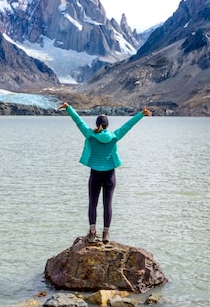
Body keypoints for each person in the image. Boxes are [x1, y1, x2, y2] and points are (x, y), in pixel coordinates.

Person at [58, 102, 152, 244]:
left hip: (95, 174)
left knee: (92, 203)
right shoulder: (115, 136)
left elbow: (78, 121)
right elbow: (128, 125)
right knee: (107, 204)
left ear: (97, 124)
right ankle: (106, 234)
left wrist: (68, 107)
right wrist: (141, 114)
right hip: (110, 175)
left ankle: (92, 232)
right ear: (107, 125)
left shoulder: (89, 134)